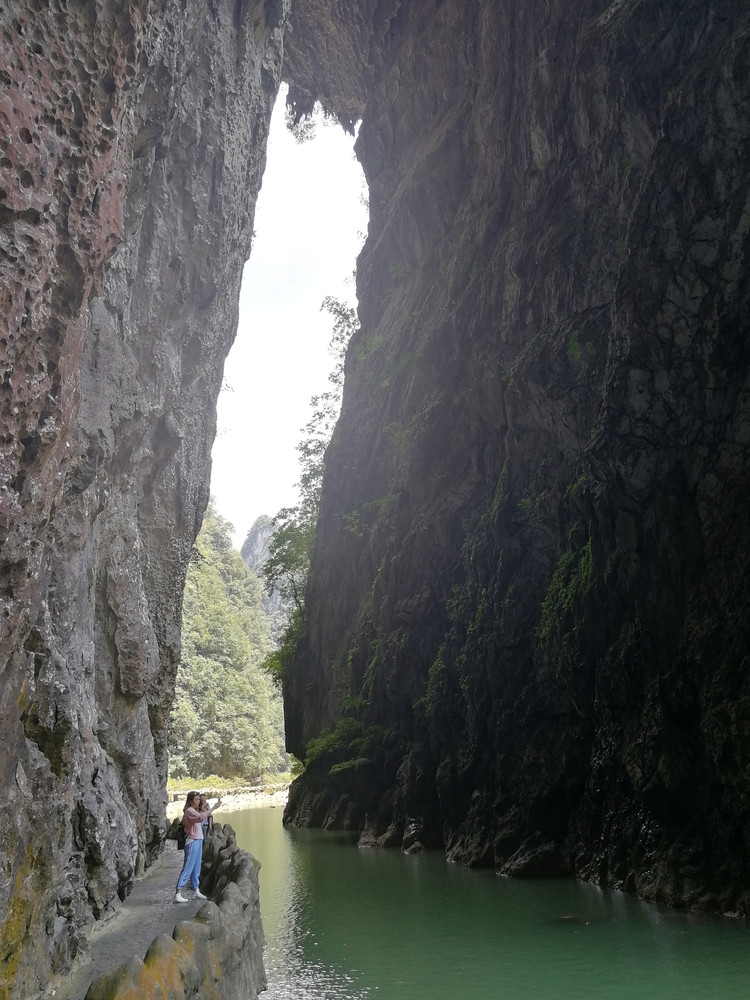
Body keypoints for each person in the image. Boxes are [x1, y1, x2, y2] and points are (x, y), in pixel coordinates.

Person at [174, 790, 222, 903]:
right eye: (196, 800)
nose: (198, 801)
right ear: (191, 801)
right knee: (188, 867)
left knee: (196, 868)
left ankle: (196, 890)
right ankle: (178, 892)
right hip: (191, 841)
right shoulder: (189, 811)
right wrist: (213, 807)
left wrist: (206, 807)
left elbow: (201, 817)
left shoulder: (194, 810)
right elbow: (201, 818)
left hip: (198, 839)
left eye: (198, 799)